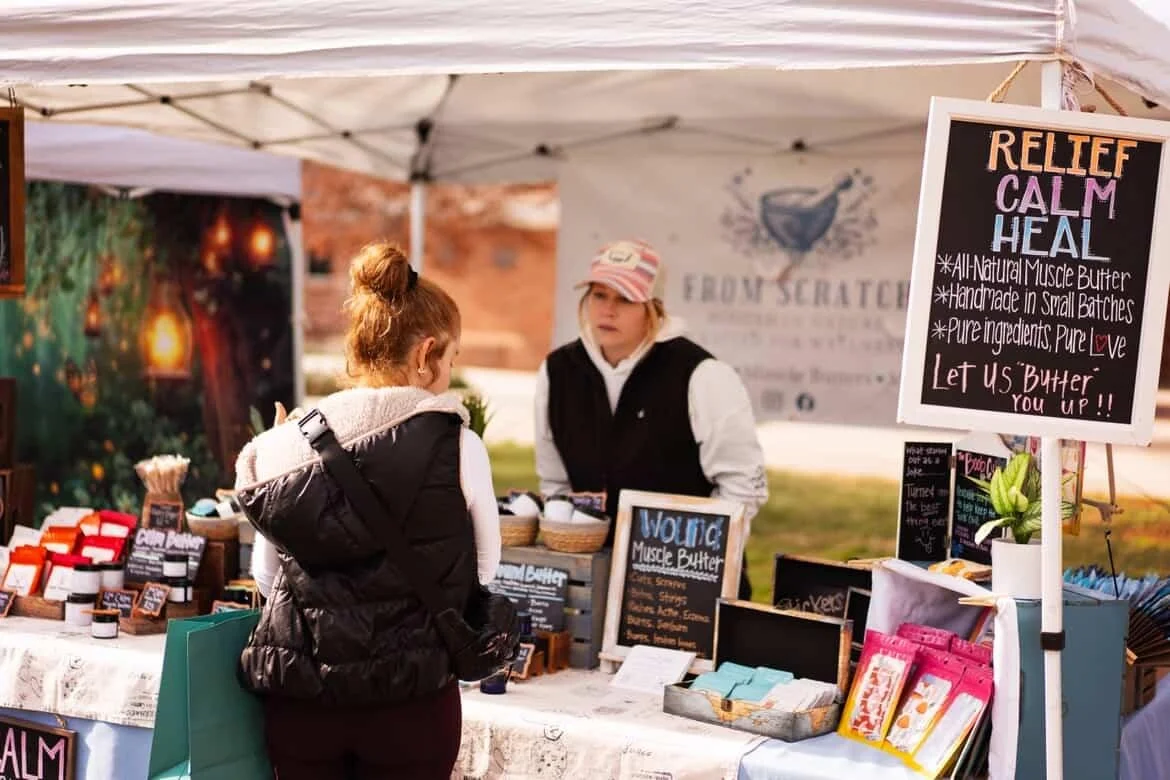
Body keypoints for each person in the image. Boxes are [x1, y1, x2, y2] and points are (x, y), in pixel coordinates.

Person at [233, 242, 500, 780]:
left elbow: (265, 574)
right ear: (425, 355)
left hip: (304, 700)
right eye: (451, 357)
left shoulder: (288, 441)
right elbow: (483, 570)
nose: (451, 371)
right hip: (411, 704)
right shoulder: (457, 444)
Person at [534, 239, 768, 599]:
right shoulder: (558, 371)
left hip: (686, 586)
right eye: (599, 295)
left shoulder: (703, 375)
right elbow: (555, 482)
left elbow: (743, 486)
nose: (608, 310)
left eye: (624, 299)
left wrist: (705, 562)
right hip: (592, 582)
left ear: (653, 308)